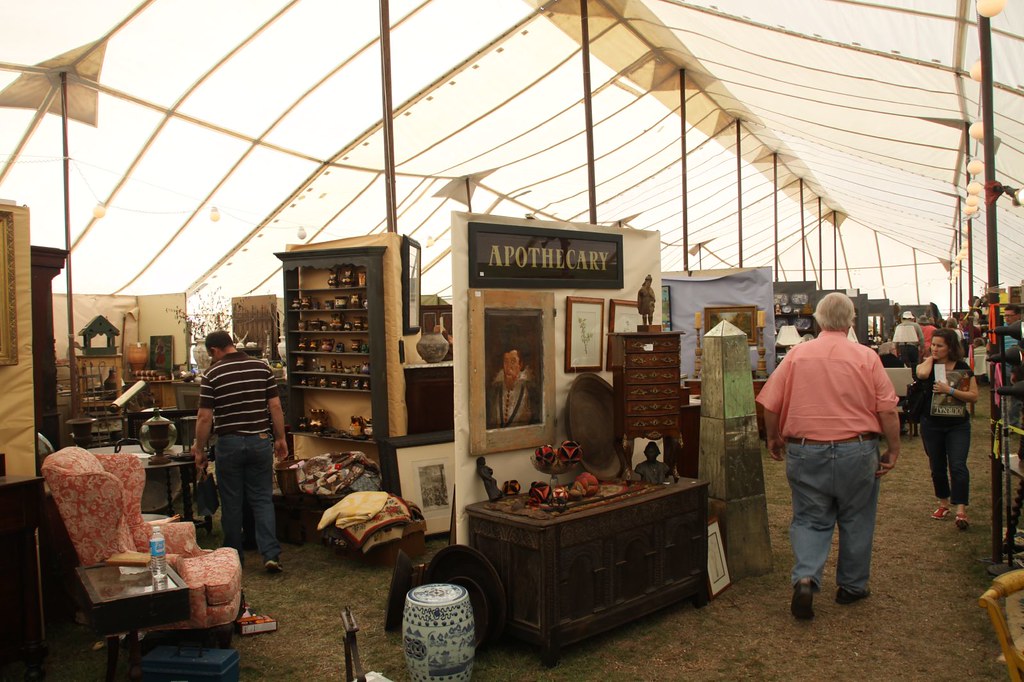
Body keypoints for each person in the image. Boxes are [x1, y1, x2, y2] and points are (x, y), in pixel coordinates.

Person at [756, 292, 900, 621]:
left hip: (806, 450)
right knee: (857, 518)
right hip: (857, 449)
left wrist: (773, 438)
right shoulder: (866, 357)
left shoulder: (796, 355)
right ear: (851, 320)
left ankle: (806, 578)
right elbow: (888, 410)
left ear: (818, 320)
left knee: (809, 518)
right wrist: (893, 448)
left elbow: (770, 403)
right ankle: (852, 586)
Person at [192, 330, 288, 573]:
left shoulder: (212, 374)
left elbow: (204, 417)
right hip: (260, 440)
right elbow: (275, 406)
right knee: (262, 499)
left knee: (231, 501)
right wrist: (280, 438)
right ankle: (270, 554)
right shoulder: (262, 368)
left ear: (214, 350)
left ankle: (233, 556)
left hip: (229, 443)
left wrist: (199, 449)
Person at [915, 328, 978, 530]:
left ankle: (961, 508)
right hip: (932, 424)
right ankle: (943, 503)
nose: (934, 348)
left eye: (939, 345)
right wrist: (931, 358)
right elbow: (921, 373)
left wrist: (949, 390)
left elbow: (973, 396)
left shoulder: (962, 367)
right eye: (933, 344)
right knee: (937, 466)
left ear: (950, 347)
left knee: (958, 465)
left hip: (957, 425)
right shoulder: (929, 365)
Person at [488, 348, 539, 428]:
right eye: (506, 362)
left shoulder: (530, 391)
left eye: (513, 362)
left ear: (520, 365)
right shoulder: (494, 391)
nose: (509, 367)